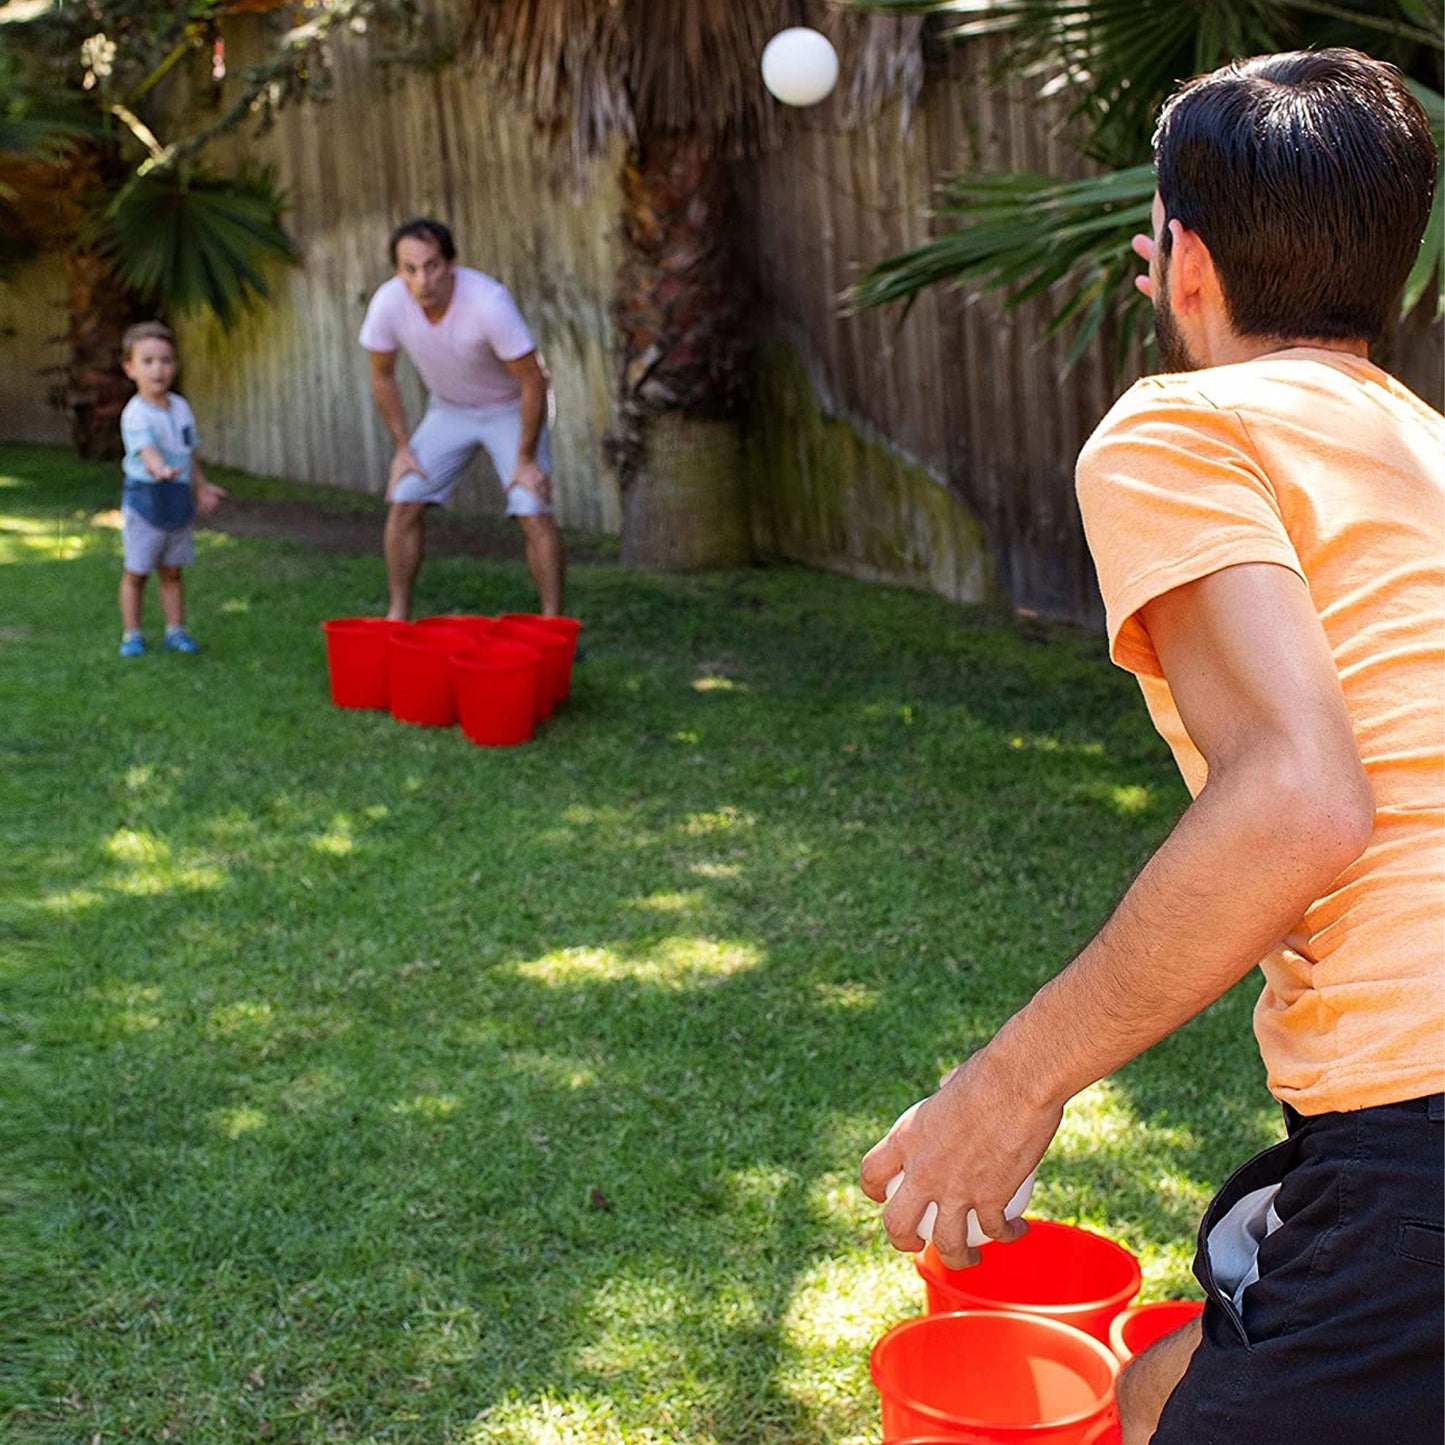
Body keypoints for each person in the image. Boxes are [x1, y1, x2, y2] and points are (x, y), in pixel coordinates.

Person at [860, 48, 1443, 1445]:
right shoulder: (1424, 449)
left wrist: (1002, 1088)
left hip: (1415, 1120)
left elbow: (1300, 800)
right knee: (1155, 1391)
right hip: (1391, 1136)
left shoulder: (1177, 429)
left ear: (1180, 258)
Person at [358, 217, 564, 620]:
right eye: (410, 269)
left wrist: (524, 460)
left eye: (432, 266)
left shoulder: (488, 302)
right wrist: (402, 447)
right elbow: (382, 376)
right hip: (449, 410)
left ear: (451, 264)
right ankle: (397, 616)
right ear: (398, 271)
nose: (422, 280)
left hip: (509, 408)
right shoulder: (388, 302)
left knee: (532, 506)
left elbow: (534, 382)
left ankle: (554, 624)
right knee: (404, 497)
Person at [117, 321, 228, 658]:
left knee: (172, 571)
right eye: (148, 361)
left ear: (175, 366)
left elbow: (187, 452)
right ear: (130, 369)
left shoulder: (181, 407)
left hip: (177, 501)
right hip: (145, 502)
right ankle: (132, 634)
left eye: (165, 360)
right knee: (137, 573)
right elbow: (147, 450)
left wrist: (203, 486)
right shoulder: (135, 414)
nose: (158, 369)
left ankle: (175, 631)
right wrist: (159, 468)